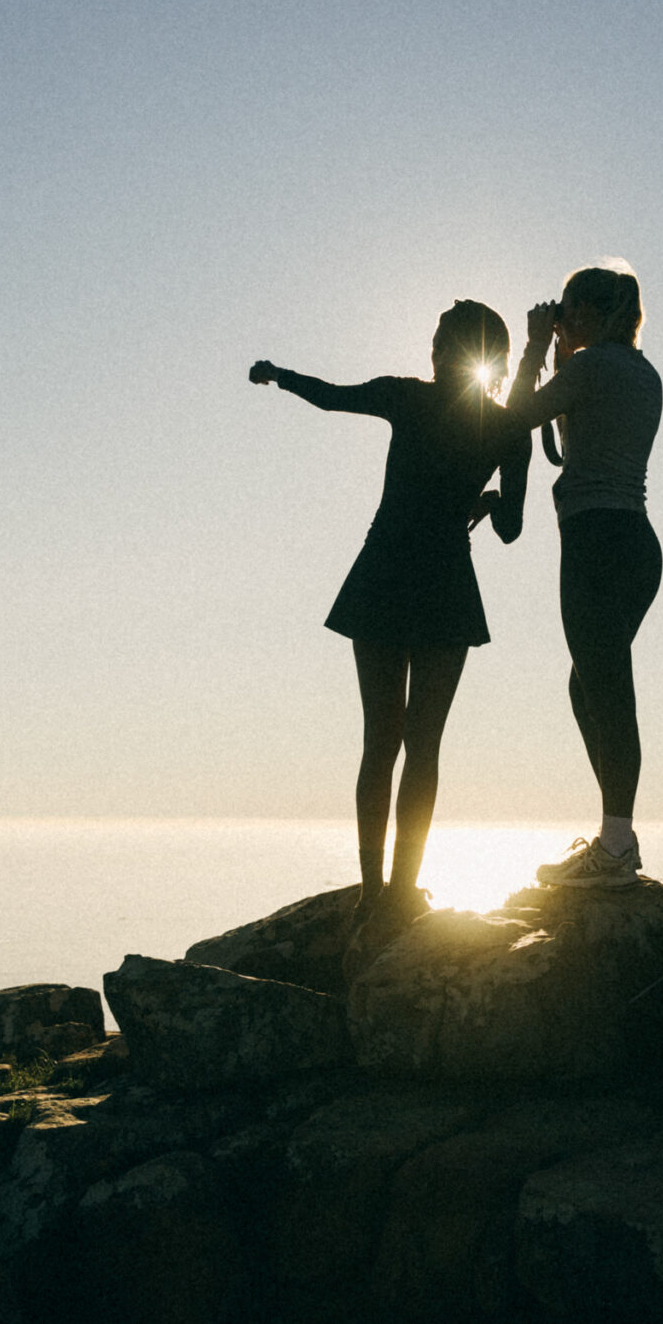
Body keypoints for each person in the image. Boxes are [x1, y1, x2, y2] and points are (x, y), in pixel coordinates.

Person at [249, 300, 531, 926]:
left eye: (437, 342)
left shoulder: (407, 398)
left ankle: (372, 888)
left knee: (381, 740)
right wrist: (483, 501)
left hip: (382, 575)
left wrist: (278, 374)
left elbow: (329, 397)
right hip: (446, 585)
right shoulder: (511, 428)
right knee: (423, 746)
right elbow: (511, 530)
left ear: (443, 353)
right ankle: (402, 890)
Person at [497, 264, 663, 888]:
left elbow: (513, 422)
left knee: (608, 689)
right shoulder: (638, 372)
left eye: (568, 308)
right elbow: (569, 440)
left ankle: (617, 848)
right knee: (588, 685)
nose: (561, 315)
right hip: (634, 543)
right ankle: (614, 836)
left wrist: (537, 347)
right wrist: (566, 353)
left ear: (592, 312)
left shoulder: (593, 367)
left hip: (596, 539)